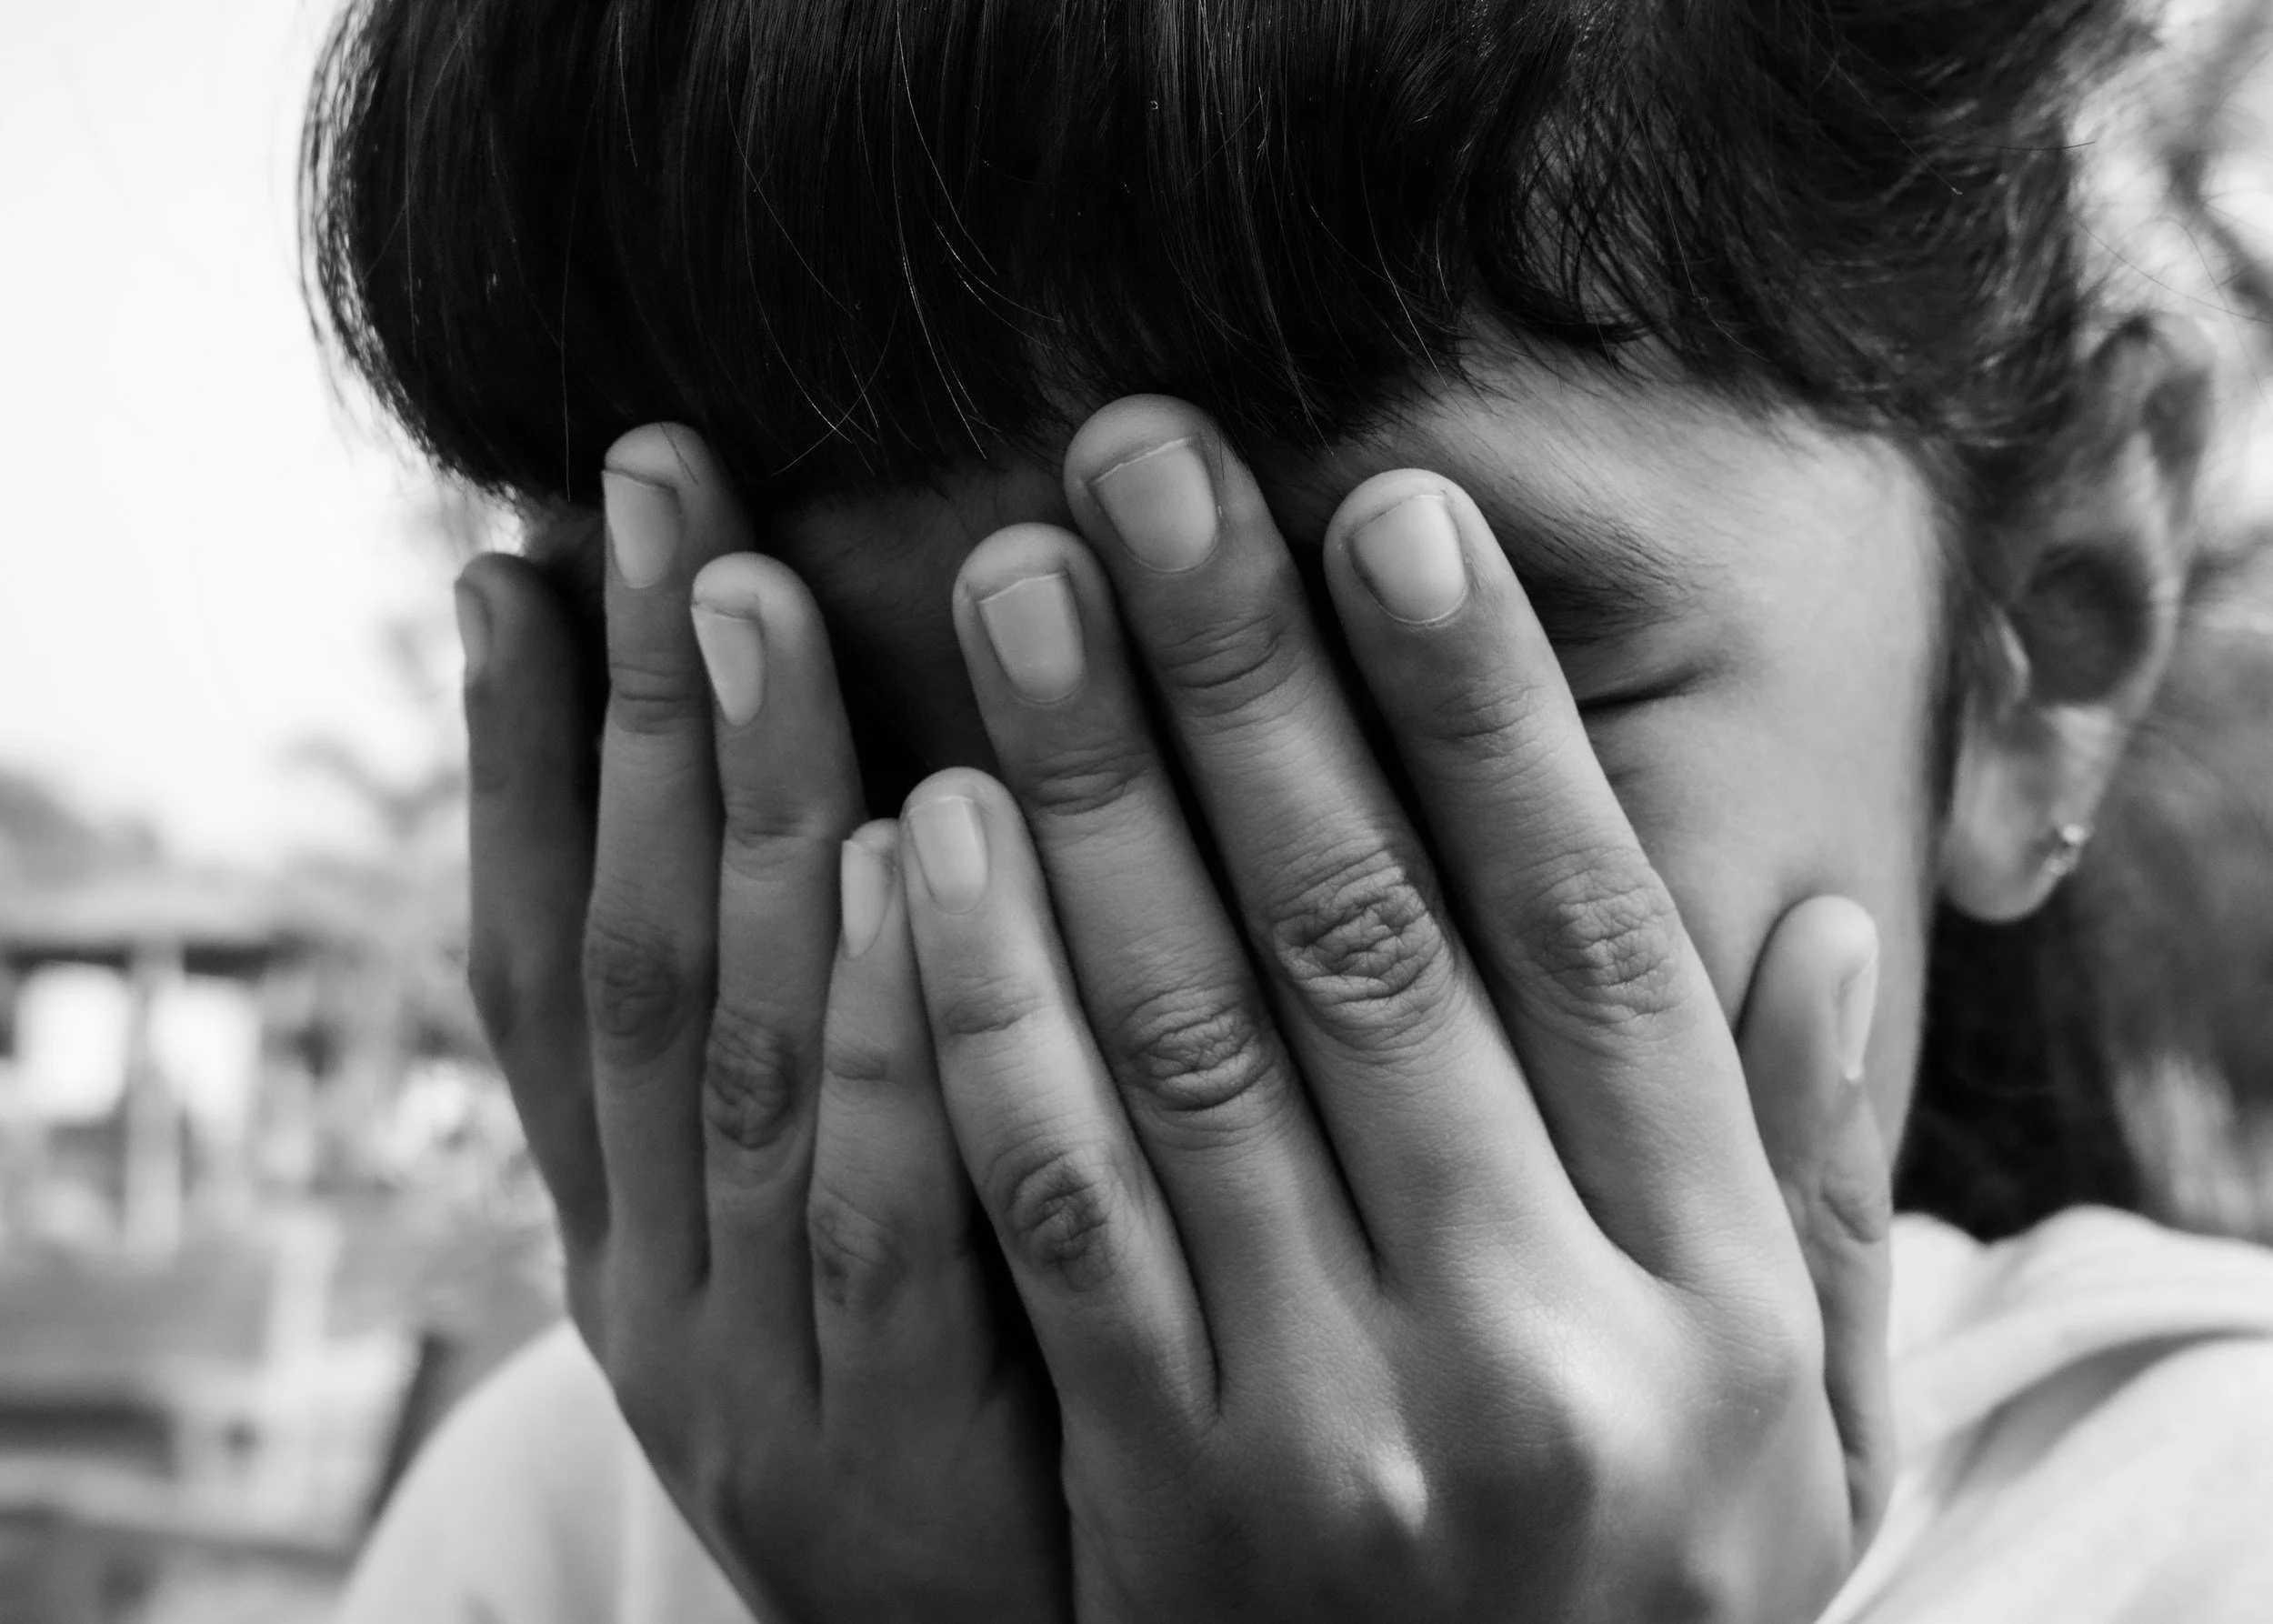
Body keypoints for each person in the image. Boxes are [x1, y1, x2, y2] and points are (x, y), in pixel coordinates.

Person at [306, 0, 2273, 1618]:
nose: (1067, 991)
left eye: (1394, 682)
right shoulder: (566, 1529)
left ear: (2045, 636)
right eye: (811, 752)